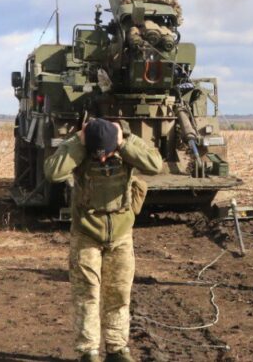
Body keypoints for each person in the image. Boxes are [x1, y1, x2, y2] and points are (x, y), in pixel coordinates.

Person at [45, 118, 163, 362]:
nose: (100, 159)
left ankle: (117, 349)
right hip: (86, 235)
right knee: (87, 294)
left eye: (105, 154)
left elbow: (155, 165)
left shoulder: (127, 144)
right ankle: (88, 351)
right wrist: (78, 143)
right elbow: (53, 172)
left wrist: (124, 144)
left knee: (119, 294)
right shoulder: (77, 145)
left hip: (121, 235)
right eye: (96, 155)